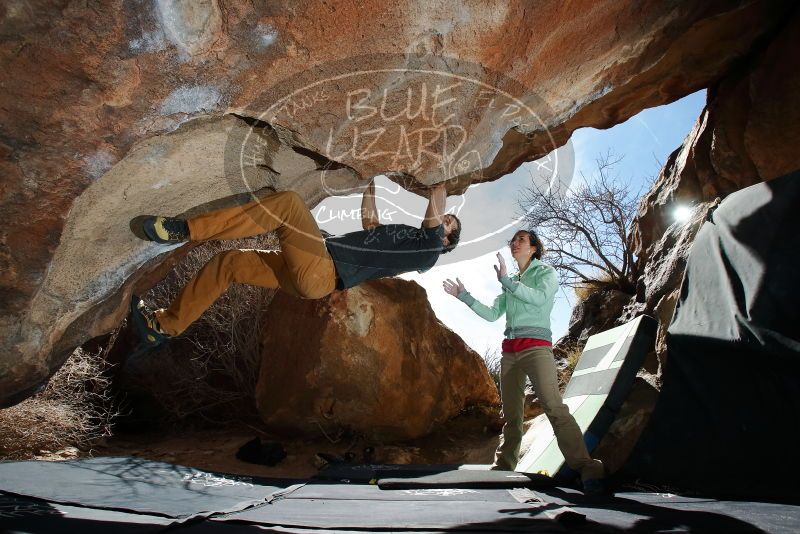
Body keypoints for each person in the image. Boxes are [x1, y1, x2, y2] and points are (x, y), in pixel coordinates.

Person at [131, 180, 461, 346]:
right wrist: (371, 180)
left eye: (450, 225)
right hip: (307, 274)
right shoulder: (405, 240)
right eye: (448, 220)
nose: (446, 220)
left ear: (446, 242)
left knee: (289, 205)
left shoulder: (428, 253)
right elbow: (370, 222)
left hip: (322, 270)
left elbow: (436, 203)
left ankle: (185, 230)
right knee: (228, 264)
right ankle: (164, 326)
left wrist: (443, 179)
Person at [442, 229, 605, 495]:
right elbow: (493, 314)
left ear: (534, 248)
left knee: (553, 406)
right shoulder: (511, 280)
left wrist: (507, 281)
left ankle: (587, 466)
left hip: (536, 349)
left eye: (521, 239)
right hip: (510, 353)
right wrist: (464, 296)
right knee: (511, 416)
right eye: (513, 240)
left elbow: (538, 298)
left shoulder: (545, 274)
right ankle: (504, 468)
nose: (514, 243)